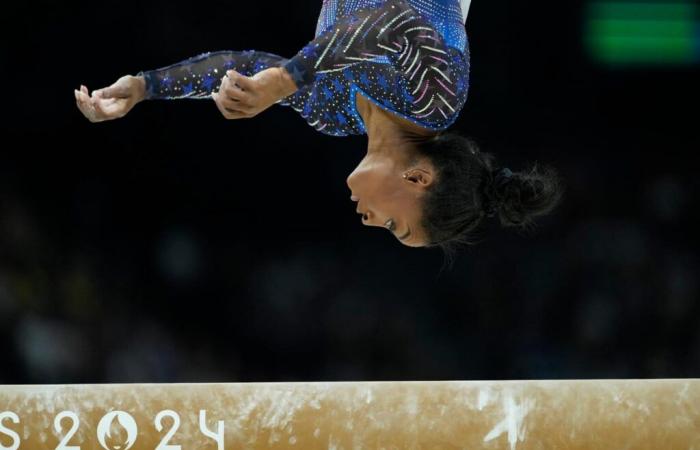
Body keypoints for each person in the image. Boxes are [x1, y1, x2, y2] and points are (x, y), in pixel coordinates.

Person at [74, 0, 563, 259]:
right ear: (419, 179)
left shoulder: (333, 112)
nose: (372, 224)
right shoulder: (435, 102)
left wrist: (144, 87)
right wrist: (285, 79)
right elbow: (395, 21)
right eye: (395, 225)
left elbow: (246, 69)